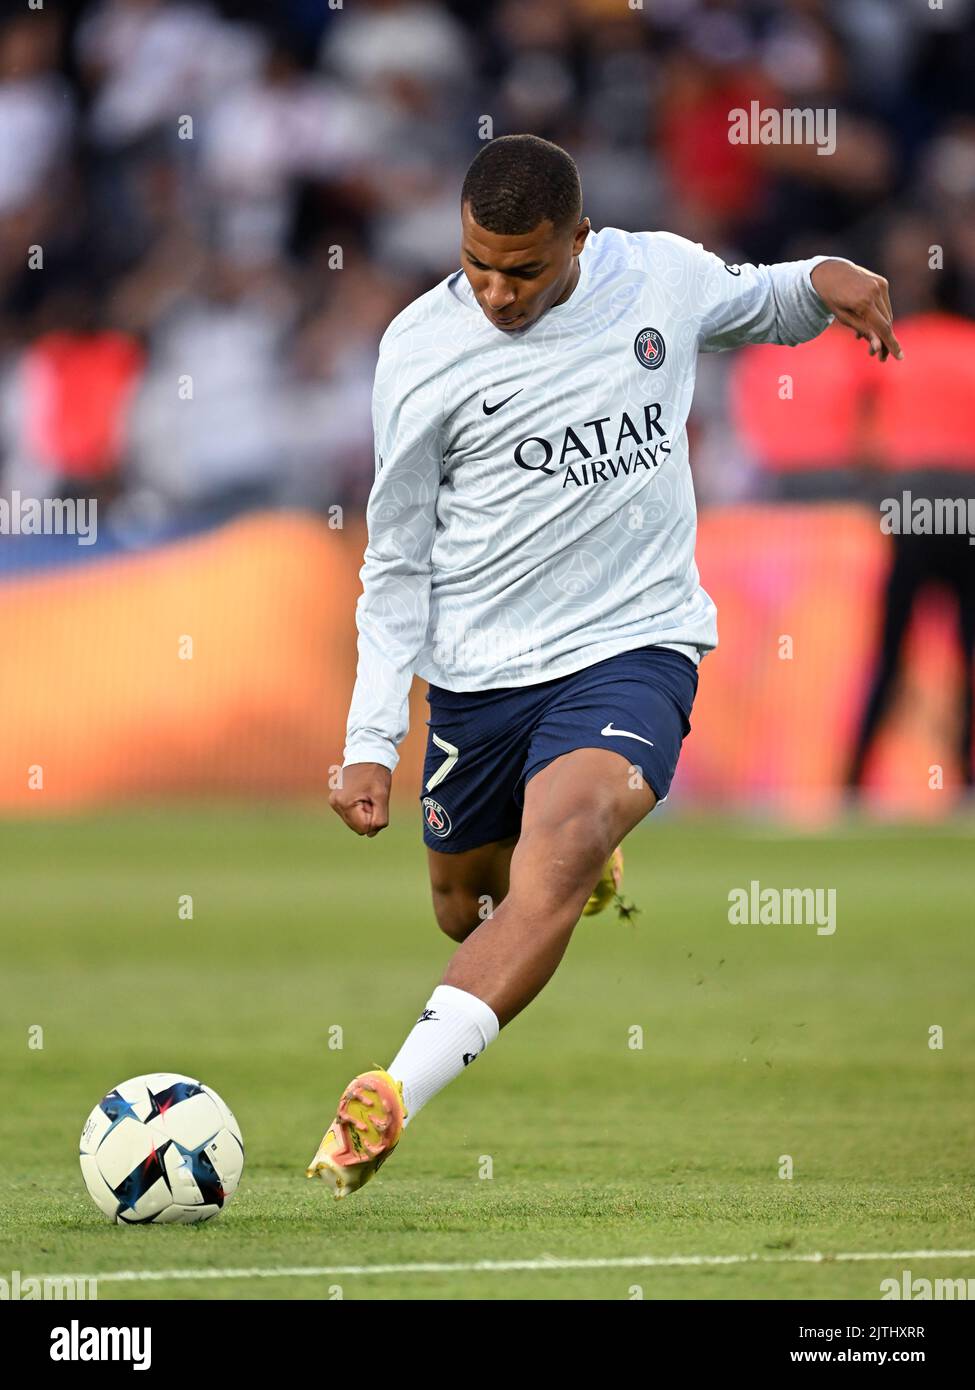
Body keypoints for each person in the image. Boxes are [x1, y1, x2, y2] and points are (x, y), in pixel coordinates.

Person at [306, 134, 901, 1198]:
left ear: (580, 239)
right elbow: (395, 560)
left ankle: (391, 1093)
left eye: (525, 269)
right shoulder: (420, 349)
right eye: (478, 262)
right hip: (481, 671)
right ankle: (565, 863)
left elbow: (764, 297)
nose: (497, 291)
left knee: (563, 848)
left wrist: (827, 278)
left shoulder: (655, 275)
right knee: (464, 907)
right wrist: (368, 738)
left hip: (636, 643)